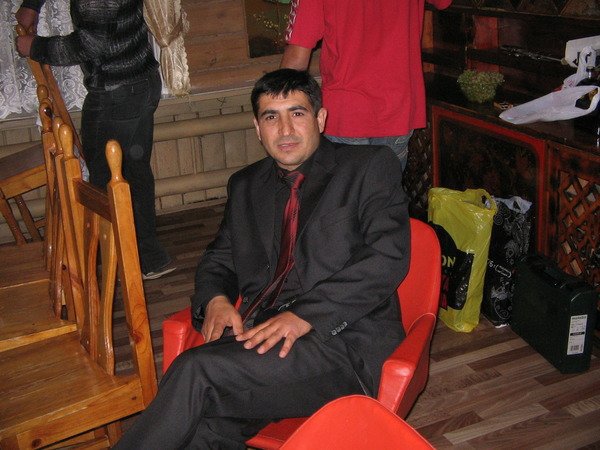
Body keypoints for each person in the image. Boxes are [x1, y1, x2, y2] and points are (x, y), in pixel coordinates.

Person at [114, 68, 410, 449]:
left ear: (320, 119)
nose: (285, 130)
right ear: (257, 128)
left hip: (340, 345)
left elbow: (387, 257)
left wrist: (304, 315)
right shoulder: (245, 185)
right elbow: (218, 259)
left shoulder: (368, 167)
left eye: (297, 113)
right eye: (271, 117)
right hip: (262, 339)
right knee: (204, 427)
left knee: (196, 370)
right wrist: (216, 299)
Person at [15, 0, 175, 280]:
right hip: (136, 84)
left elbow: (90, 44)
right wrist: (32, 5)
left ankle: (118, 267)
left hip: (118, 92)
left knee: (104, 183)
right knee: (131, 174)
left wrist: (35, 46)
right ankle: (148, 259)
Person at [281, 0, 453, 171]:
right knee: (384, 188)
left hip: (346, 114)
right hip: (398, 109)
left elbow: (296, 60)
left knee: (342, 189)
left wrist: (278, 117)